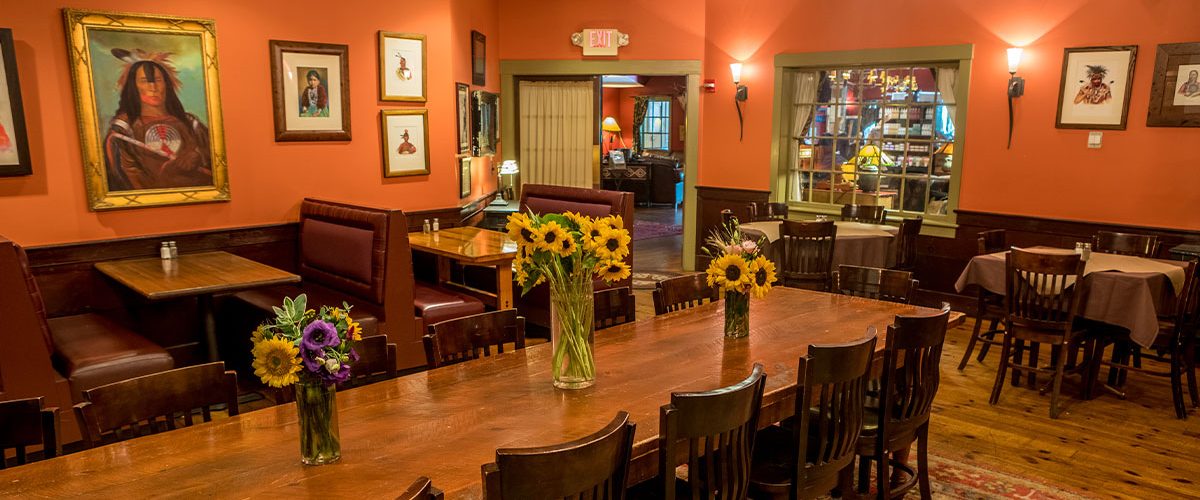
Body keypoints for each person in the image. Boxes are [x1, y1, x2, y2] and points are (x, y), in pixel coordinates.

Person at [102, 49, 212, 191]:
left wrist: (197, 155)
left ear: (167, 84)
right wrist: (167, 173)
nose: (153, 87)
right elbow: (126, 179)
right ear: (133, 86)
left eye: (158, 80)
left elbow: (214, 163)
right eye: (144, 81)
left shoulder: (190, 123)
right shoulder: (122, 131)